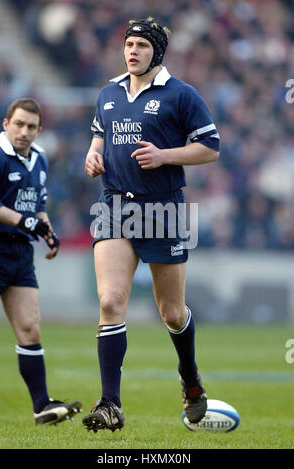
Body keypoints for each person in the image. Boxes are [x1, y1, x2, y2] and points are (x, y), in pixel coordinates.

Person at [82, 17, 220, 433]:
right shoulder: (109, 92)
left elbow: (210, 149)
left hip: (163, 210)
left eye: (141, 45)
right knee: (110, 302)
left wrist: (165, 156)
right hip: (114, 207)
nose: (132, 51)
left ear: (157, 51)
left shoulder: (182, 94)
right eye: (129, 44)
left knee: (173, 312)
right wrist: (92, 155)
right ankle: (110, 404)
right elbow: (97, 137)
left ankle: (191, 380)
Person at [0, 98, 82, 425]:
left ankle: (42, 406)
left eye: (31, 126)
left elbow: (38, 206)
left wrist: (47, 229)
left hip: (19, 254)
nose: (24, 131)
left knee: (30, 329)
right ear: (6, 124)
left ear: (39, 130)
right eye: (18, 124)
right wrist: (24, 221)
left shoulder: (41, 159)